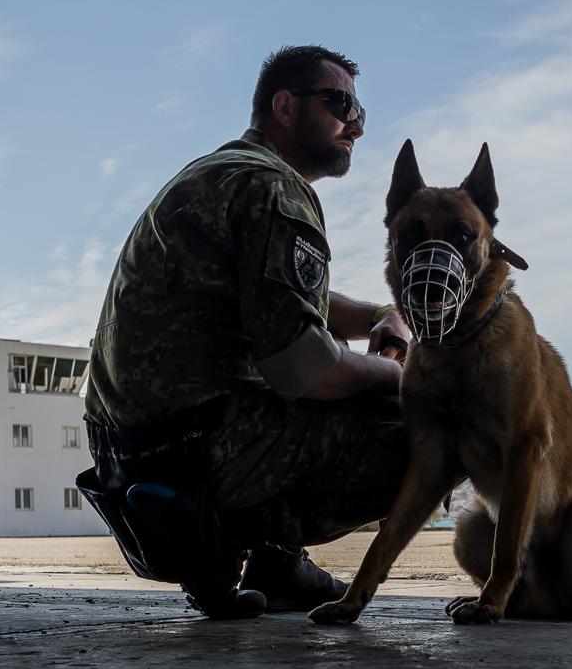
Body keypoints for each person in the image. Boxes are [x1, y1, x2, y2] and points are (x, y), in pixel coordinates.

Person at [82, 45, 413, 619]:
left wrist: (373, 317)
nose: (355, 125)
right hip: (200, 456)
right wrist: (394, 373)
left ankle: (275, 565)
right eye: (340, 104)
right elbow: (306, 368)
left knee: (274, 385)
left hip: (131, 455)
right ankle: (239, 546)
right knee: (441, 422)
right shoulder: (273, 188)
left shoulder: (217, 173)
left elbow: (275, 293)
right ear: (285, 106)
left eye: (361, 112)